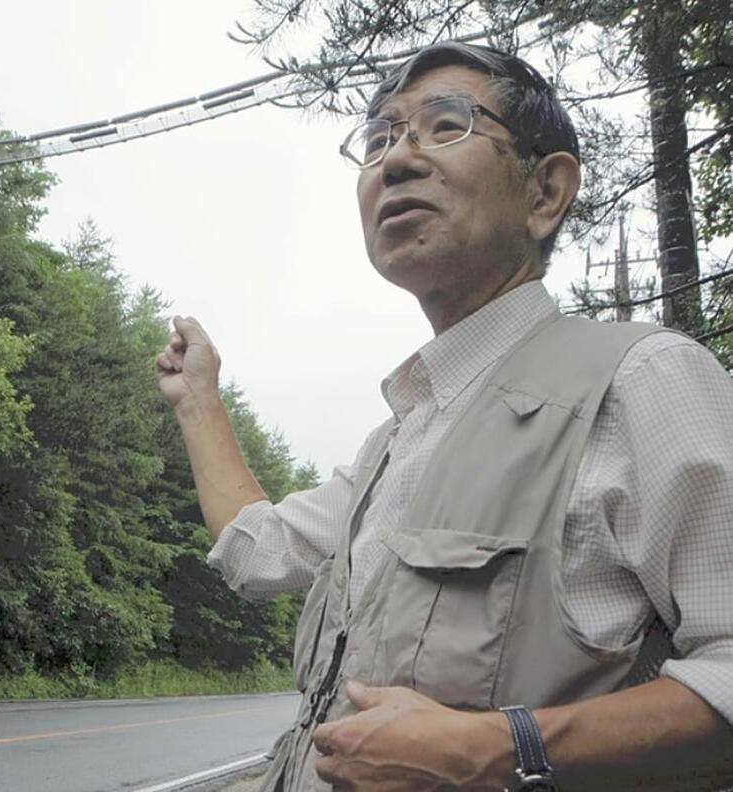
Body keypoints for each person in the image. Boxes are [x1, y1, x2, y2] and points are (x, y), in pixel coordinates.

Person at [157, 42, 733, 792]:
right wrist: (200, 400)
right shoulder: (394, 444)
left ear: (545, 192)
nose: (397, 159)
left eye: (445, 125)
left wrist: (498, 747)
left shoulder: (641, 380)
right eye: (381, 138)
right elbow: (258, 552)